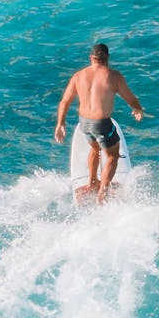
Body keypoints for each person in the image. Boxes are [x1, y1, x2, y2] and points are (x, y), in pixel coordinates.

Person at [54, 43, 144, 203]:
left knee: (95, 148)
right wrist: (138, 109)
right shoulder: (113, 76)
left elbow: (64, 102)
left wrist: (60, 124)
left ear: (91, 58)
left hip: (84, 123)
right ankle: (103, 193)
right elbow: (129, 97)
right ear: (107, 57)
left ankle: (92, 182)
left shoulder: (78, 76)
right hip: (101, 124)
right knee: (112, 156)